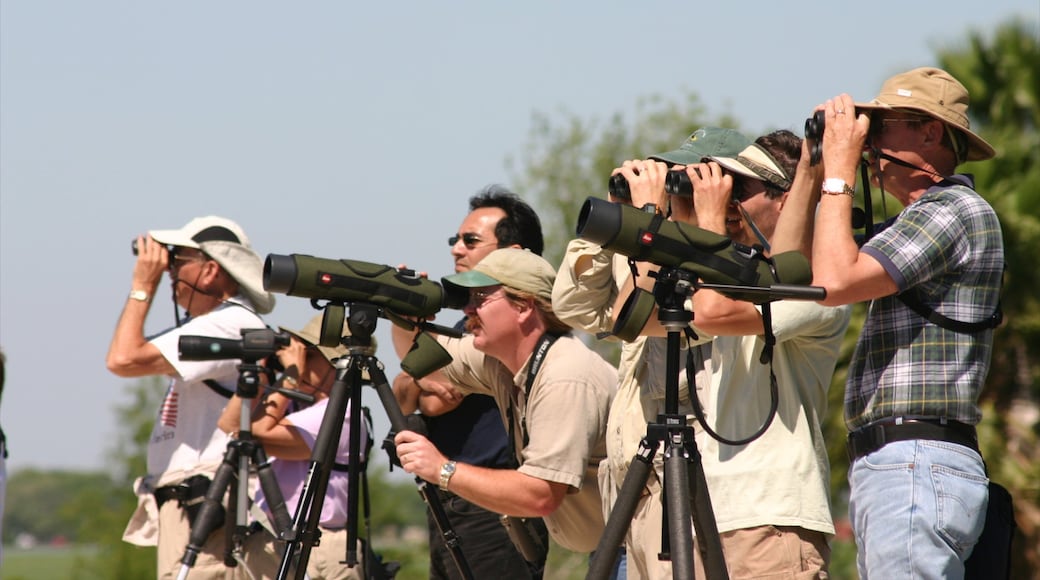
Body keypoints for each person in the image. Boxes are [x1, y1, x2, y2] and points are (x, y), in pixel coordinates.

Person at [555, 127, 852, 579]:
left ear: (784, 198)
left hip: (769, 518)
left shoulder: (813, 285)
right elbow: (631, 319)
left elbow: (713, 311)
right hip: (705, 514)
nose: (728, 204)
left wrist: (707, 221)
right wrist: (652, 220)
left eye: (739, 190)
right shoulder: (738, 279)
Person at [773, 67, 1003, 578]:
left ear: (930, 132)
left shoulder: (952, 209)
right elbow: (788, 273)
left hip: (915, 459)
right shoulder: (913, 222)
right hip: (898, 464)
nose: (870, 144)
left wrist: (839, 169)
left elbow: (834, 281)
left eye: (882, 127)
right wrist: (814, 169)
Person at [392, 248, 617, 564]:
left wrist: (442, 470)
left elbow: (540, 495)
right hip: (611, 544)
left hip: (636, 546)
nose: (468, 309)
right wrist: (402, 312)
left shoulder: (565, 375)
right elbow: (423, 363)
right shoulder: (503, 361)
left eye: (480, 297)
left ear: (524, 305)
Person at [391, 185, 551, 579]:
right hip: (448, 498)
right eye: (454, 240)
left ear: (512, 253)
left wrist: (420, 380)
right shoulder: (469, 326)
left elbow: (435, 397)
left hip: (495, 508)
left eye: (470, 240)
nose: (456, 249)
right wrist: (404, 322)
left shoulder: (516, 330)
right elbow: (406, 386)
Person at [106, 216, 276, 579]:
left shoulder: (231, 323)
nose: (169, 271)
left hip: (208, 507)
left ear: (211, 270)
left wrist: (142, 286)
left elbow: (122, 359)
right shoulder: (218, 324)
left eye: (179, 260)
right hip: (195, 503)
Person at [217, 314, 370, 580]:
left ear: (337, 364)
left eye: (307, 354)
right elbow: (230, 425)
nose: (297, 361)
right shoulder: (292, 405)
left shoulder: (343, 414)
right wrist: (262, 370)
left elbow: (259, 432)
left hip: (317, 547)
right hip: (272, 540)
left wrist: (289, 377)